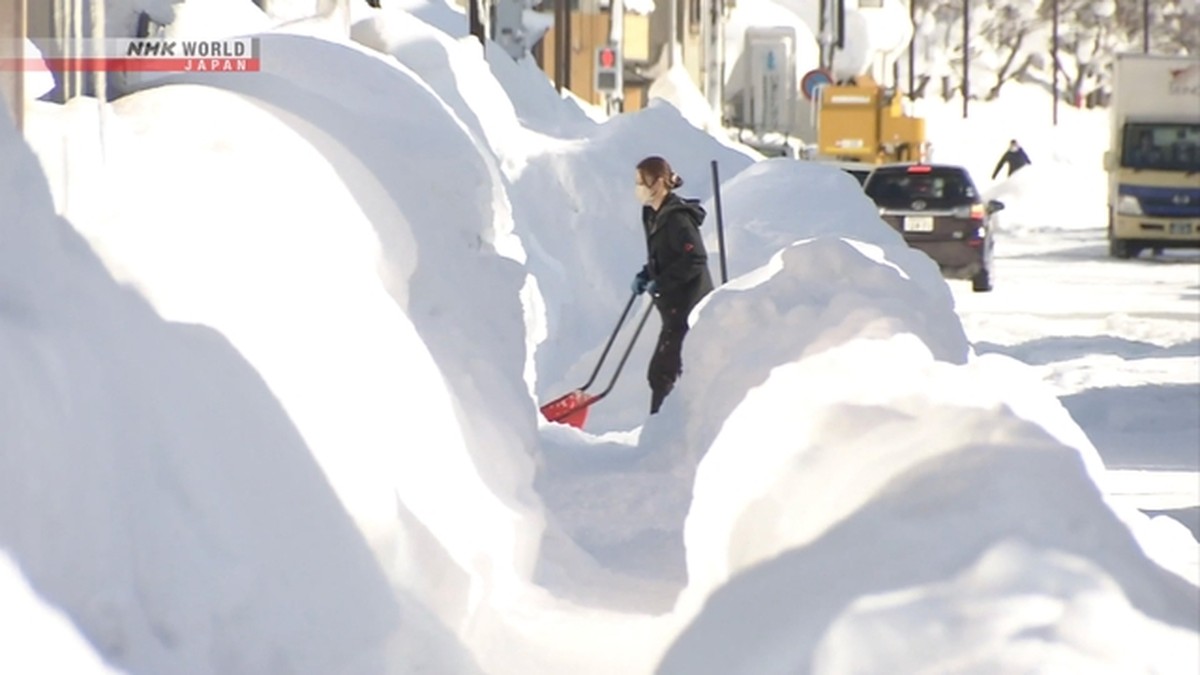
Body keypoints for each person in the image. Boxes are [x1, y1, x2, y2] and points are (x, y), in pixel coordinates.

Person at [629, 156, 714, 414]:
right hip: (671, 306)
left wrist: (662, 282)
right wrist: (647, 274)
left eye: (640, 182)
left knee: (662, 374)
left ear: (656, 184)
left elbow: (695, 258)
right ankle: (663, 432)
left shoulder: (677, 219)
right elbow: (665, 255)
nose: (637, 188)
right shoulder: (652, 214)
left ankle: (661, 437)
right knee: (665, 373)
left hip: (688, 305)